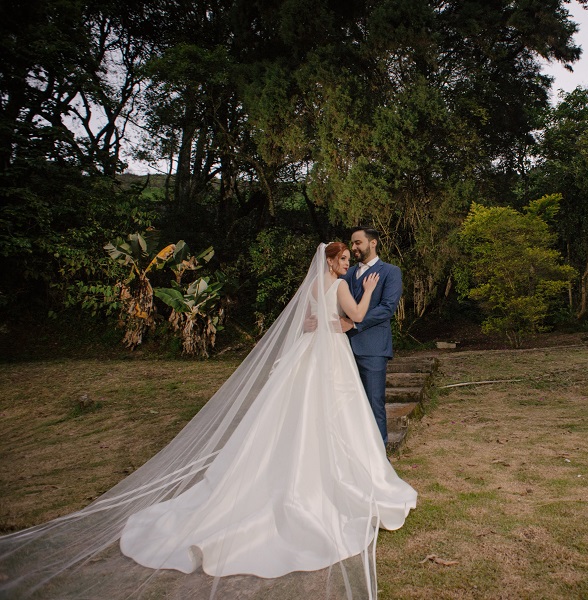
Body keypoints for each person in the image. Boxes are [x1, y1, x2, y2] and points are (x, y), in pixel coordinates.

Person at [0, 242, 417, 599]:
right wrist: (369, 291)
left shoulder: (311, 287)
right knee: (334, 415)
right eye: (343, 259)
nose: (348, 264)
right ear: (333, 263)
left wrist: (327, 323)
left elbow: (309, 322)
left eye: (348, 259)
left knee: (298, 415)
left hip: (308, 355)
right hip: (331, 358)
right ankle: (337, 480)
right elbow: (359, 316)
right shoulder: (343, 284)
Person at [341, 228, 402, 447]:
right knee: (347, 403)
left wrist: (354, 322)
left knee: (374, 402)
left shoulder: (390, 272)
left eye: (358, 243)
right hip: (342, 347)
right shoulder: (346, 274)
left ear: (373, 243)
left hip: (373, 348)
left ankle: (379, 455)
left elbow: (387, 308)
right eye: (352, 243)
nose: (354, 247)